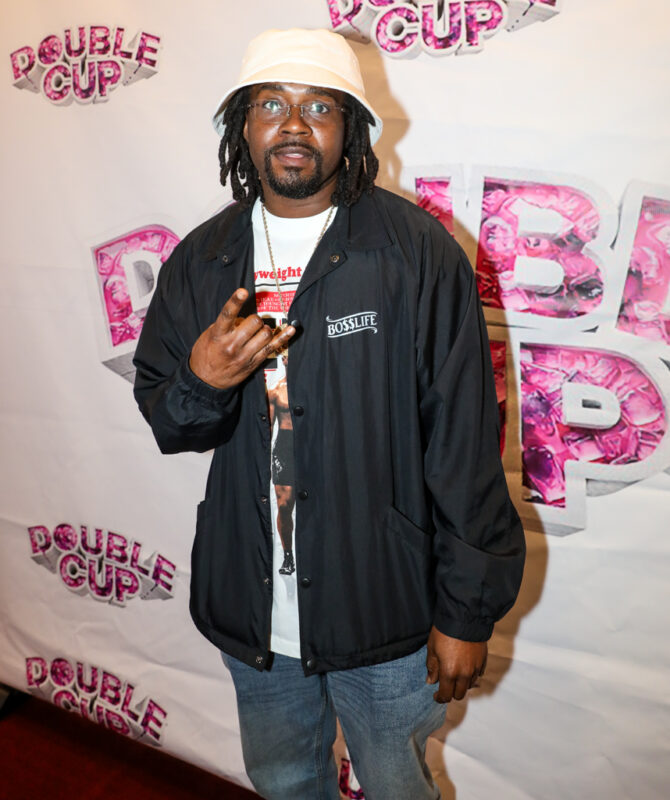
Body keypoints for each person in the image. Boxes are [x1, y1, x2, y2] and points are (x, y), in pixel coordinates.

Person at [133, 27, 526, 800]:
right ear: (241, 125)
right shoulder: (203, 258)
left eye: (319, 106)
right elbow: (173, 426)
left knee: (397, 786)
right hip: (254, 611)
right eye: (270, 104)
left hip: (386, 607)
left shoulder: (416, 253)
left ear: (350, 127)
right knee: (283, 782)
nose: (293, 124)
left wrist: (466, 612)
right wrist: (202, 382)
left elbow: (464, 445)